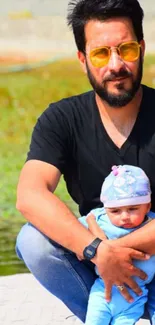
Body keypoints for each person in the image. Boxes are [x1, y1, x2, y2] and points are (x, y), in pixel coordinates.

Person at [15, 0, 155, 323]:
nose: (116, 64)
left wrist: (116, 250)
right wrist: (97, 251)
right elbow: (29, 194)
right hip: (97, 274)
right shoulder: (61, 119)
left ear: (142, 49)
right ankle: (105, 310)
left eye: (127, 49)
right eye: (101, 53)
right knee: (31, 241)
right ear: (82, 60)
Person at [79, 164, 155, 325]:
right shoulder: (99, 219)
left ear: (147, 206)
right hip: (103, 294)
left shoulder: (151, 223)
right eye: (115, 211)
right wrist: (88, 242)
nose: (124, 216)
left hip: (136, 296)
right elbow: (73, 233)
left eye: (133, 208)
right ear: (106, 208)